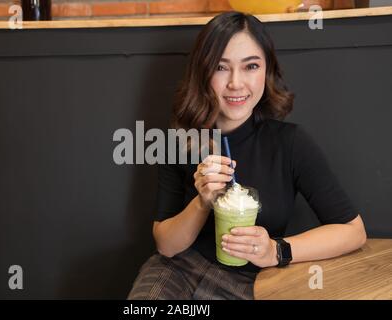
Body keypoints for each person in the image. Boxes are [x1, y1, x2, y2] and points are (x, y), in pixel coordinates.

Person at [127, 11, 367, 300]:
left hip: (253, 279)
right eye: (220, 67)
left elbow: (353, 231)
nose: (236, 83)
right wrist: (202, 203)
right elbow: (166, 245)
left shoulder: (290, 143)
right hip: (177, 270)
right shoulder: (181, 140)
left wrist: (276, 250)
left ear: (266, 70)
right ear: (203, 73)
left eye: (251, 66)